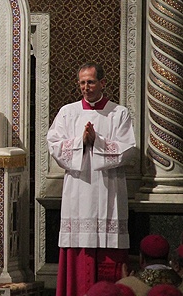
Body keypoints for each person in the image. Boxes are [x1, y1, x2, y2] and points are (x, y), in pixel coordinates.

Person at [47, 62, 137, 295]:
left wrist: (96, 141)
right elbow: (54, 145)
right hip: (78, 189)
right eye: (82, 82)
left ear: (103, 83)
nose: (86, 87)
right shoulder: (68, 112)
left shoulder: (119, 113)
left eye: (91, 82)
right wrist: (81, 142)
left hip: (109, 188)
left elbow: (128, 150)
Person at [117, 234, 183, 294]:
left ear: (141, 259)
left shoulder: (128, 286)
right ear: (168, 257)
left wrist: (125, 285)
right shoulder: (180, 284)